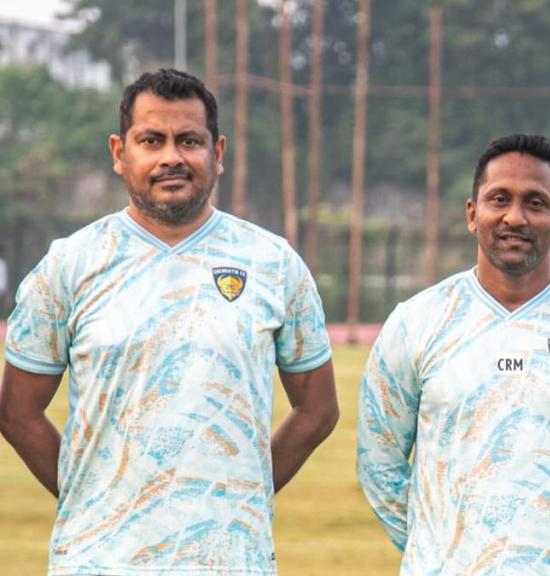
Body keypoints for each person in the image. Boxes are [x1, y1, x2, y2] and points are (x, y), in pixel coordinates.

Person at [0, 69, 338, 575]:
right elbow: (16, 412)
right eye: (151, 140)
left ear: (217, 153)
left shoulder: (274, 262)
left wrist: (243, 495)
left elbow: (317, 410)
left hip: (231, 560)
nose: (171, 157)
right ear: (119, 152)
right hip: (99, 561)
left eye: (190, 141)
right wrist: (91, 496)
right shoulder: (69, 265)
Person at [357, 134, 550, 574]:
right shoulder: (415, 323)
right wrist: (439, 546)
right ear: (472, 214)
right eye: (499, 199)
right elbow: (379, 461)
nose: (514, 217)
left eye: (535, 203)